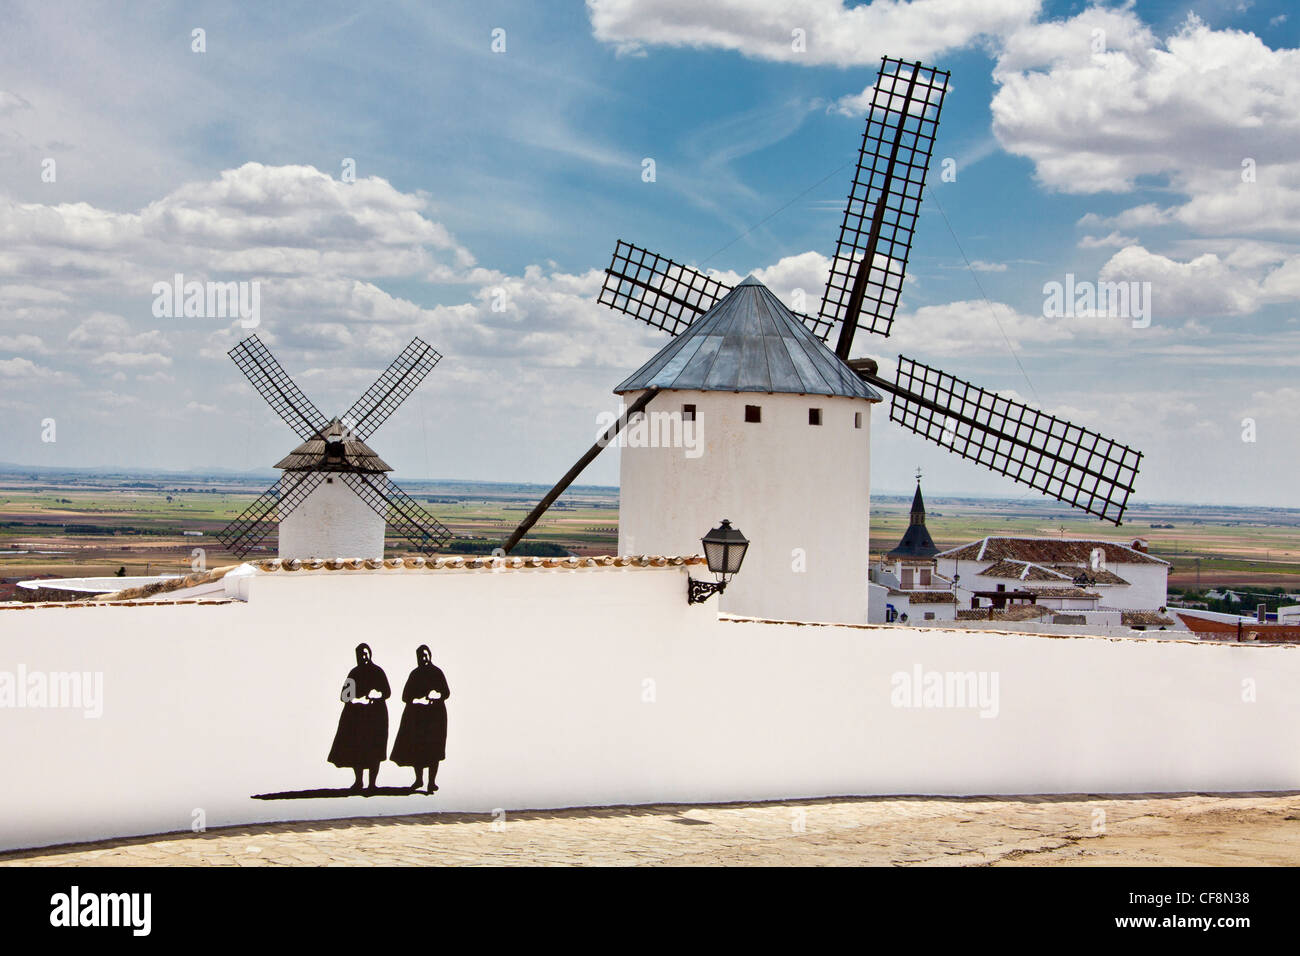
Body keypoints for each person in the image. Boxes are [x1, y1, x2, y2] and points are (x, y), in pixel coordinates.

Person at [327, 643, 391, 792]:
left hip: (375, 717)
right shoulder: (354, 673)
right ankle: (359, 781)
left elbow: (387, 691)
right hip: (357, 718)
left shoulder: (377, 671)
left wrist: (377, 695)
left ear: (370, 654)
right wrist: (355, 699)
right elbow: (344, 695)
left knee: (374, 750)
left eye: (365, 653)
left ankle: (372, 784)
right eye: (360, 654)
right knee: (358, 750)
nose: (363, 657)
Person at [389, 645, 450, 794]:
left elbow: (446, 692)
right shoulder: (415, 674)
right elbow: (405, 696)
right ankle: (419, 779)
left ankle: (431, 782)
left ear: (430, 655)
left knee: (434, 751)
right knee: (418, 751)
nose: (423, 658)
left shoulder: (437, 673)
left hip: (435, 718)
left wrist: (437, 696)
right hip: (417, 718)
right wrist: (417, 699)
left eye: (425, 655)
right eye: (420, 656)